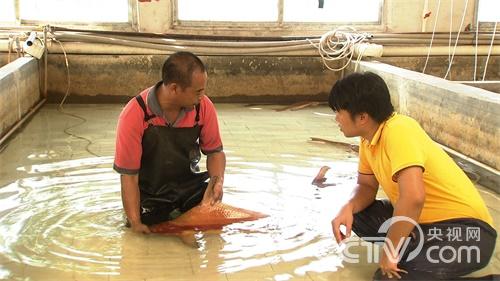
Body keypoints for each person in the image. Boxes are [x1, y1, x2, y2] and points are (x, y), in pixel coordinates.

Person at [328, 72, 496, 280]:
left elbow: (413, 197)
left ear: (362, 117)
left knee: (389, 278)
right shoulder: (368, 138)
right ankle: (417, 253)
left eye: (338, 112)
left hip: (468, 232)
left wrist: (390, 251)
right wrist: (348, 207)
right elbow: (366, 186)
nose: (336, 118)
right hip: (425, 226)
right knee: (358, 215)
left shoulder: (399, 130)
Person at [113, 51, 226, 234]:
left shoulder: (203, 107)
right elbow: (129, 176)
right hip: (151, 196)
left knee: (213, 223)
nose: (202, 97)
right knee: (150, 231)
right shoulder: (134, 114)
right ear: (174, 89)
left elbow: (215, 152)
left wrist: (217, 182)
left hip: (190, 189)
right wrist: (135, 222)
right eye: (198, 91)